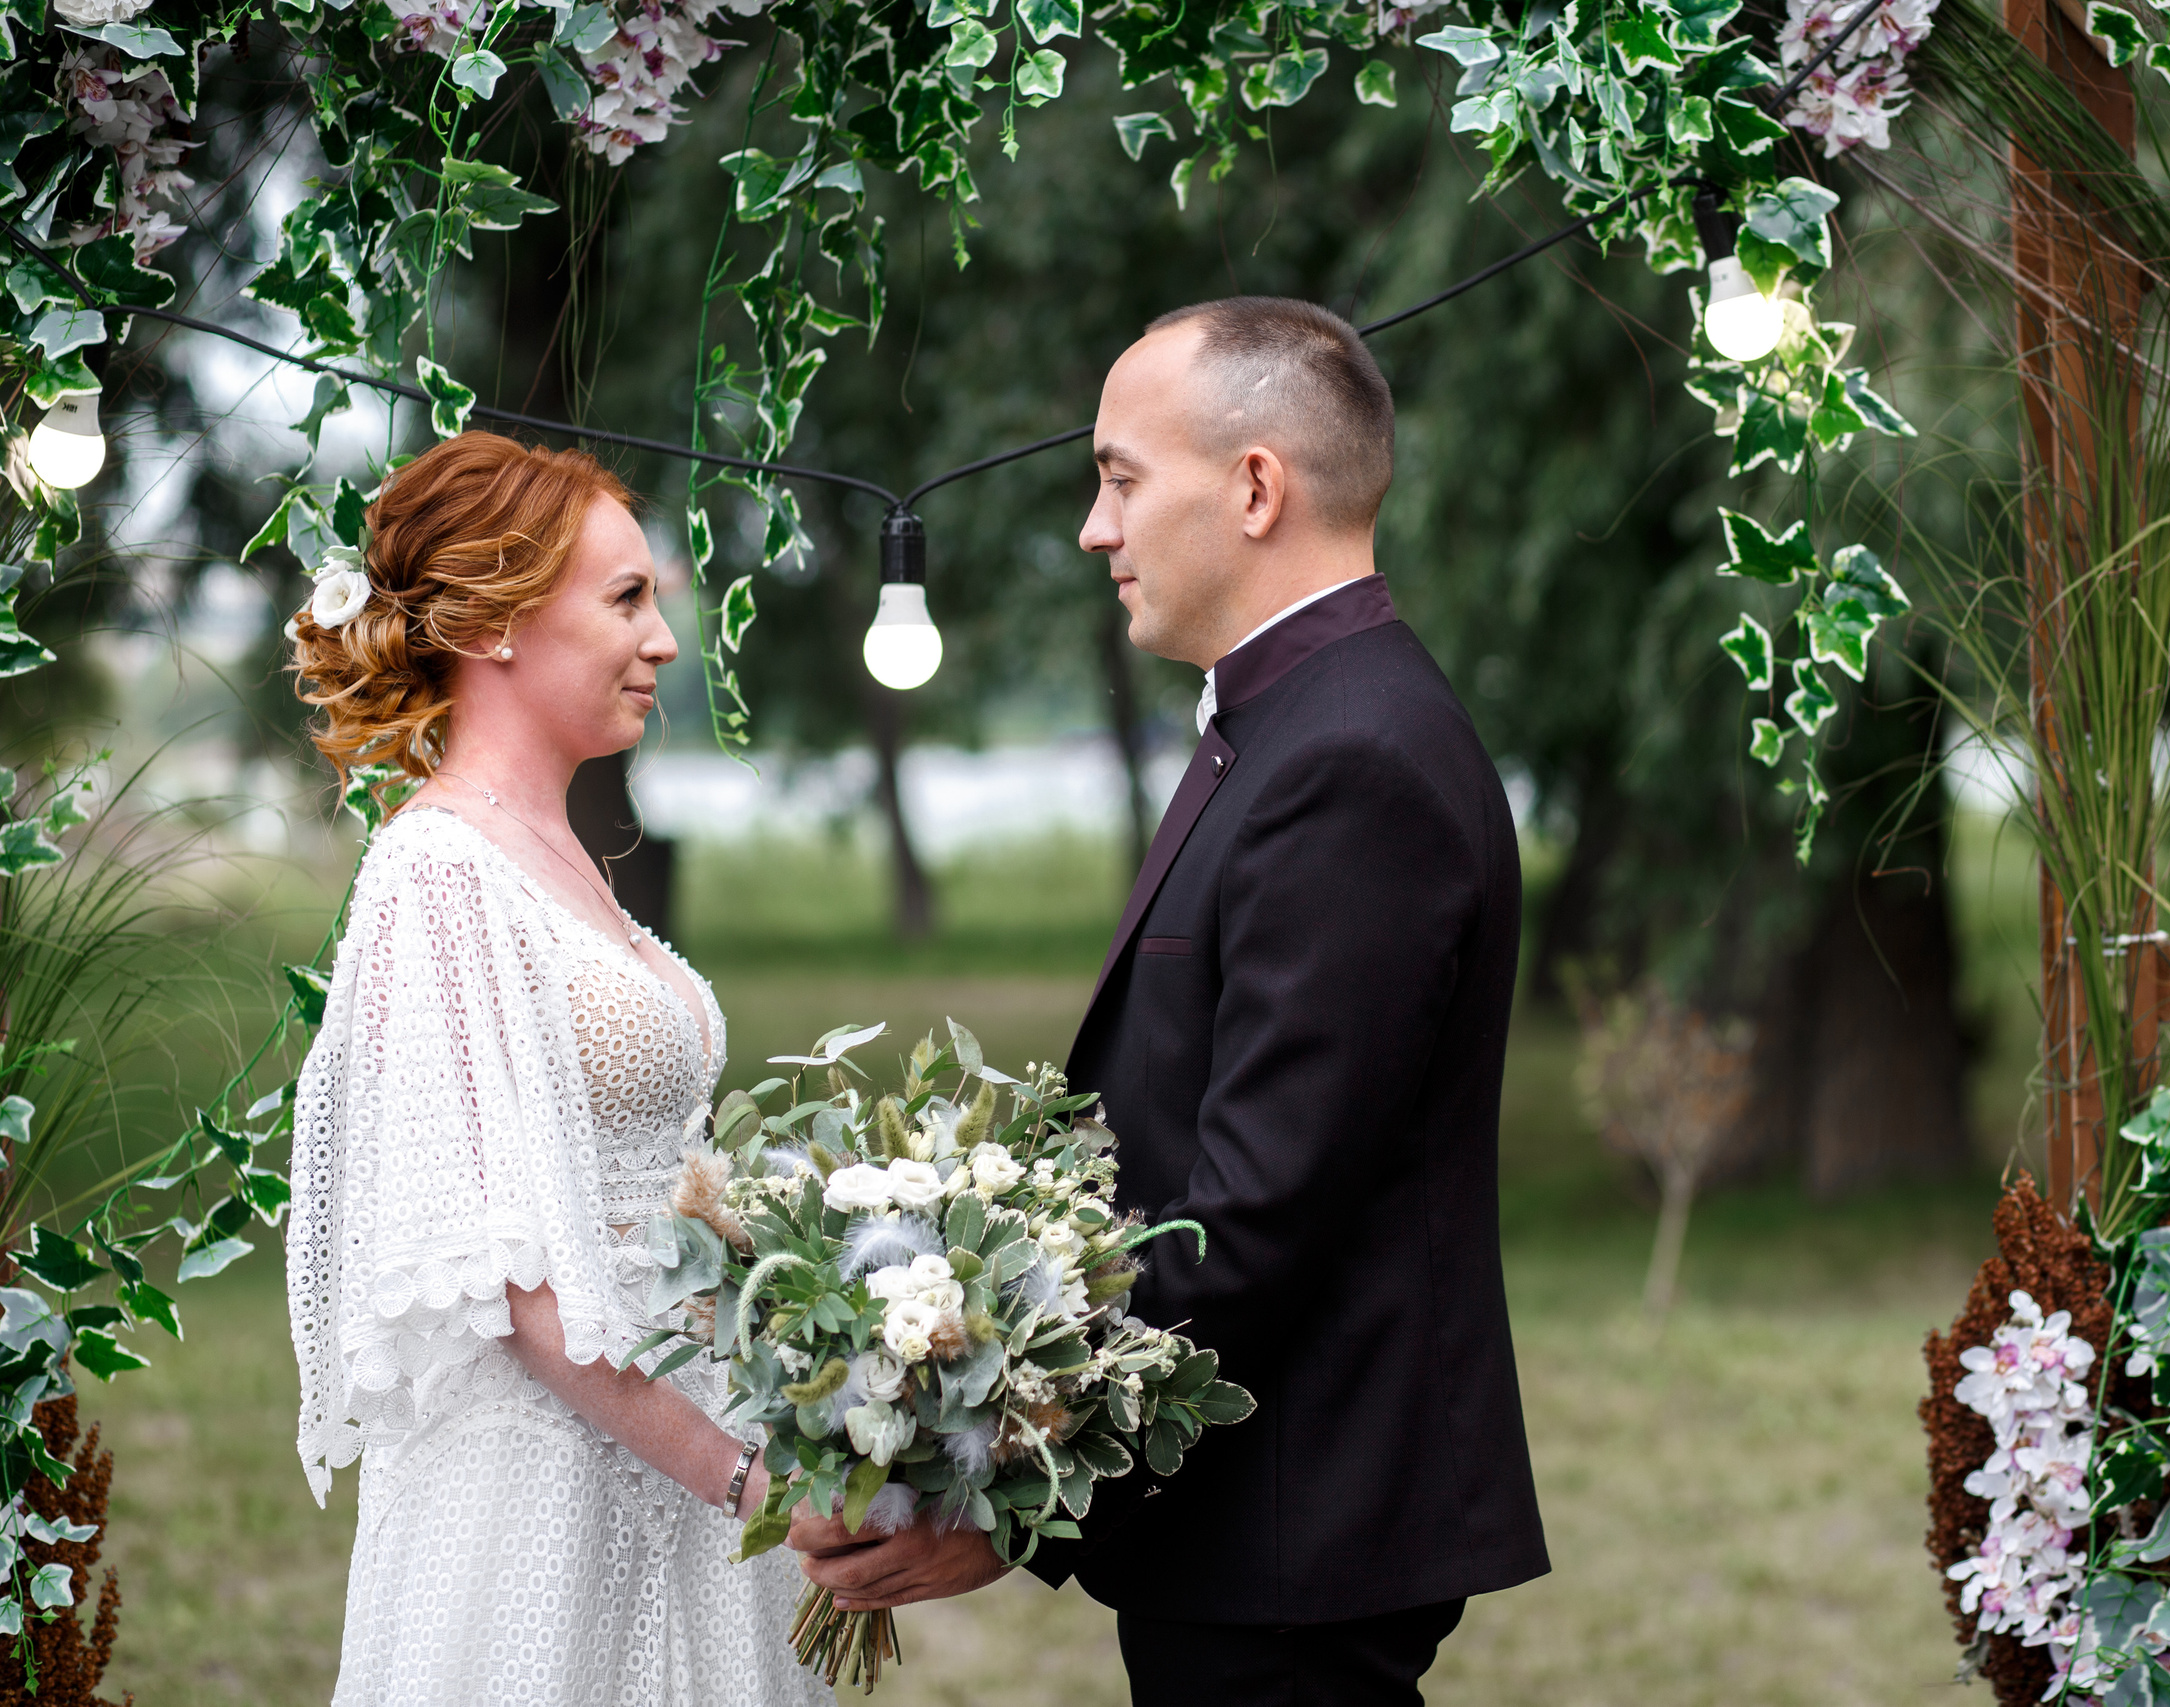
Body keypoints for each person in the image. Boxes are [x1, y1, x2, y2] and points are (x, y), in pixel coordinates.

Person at [787, 297, 1549, 1703]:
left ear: (1256, 488)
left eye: (1120, 478)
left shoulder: (1352, 758)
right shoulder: (1295, 720)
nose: (1094, 529)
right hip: (1256, 1520)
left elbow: (1256, 1216)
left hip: (1297, 1521)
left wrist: (1016, 1487)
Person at [283, 431, 831, 1707]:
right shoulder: (435, 874)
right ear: (494, 623)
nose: (664, 642)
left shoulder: (555, 852)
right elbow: (516, 1282)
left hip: (684, 1438)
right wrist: (747, 1481)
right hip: (549, 1487)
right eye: (626, 598)